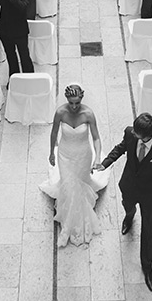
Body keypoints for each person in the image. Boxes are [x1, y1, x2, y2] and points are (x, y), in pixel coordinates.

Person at [94, 112, 152, 292]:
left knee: (148, 228)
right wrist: (105, 163)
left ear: (148, 135)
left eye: (138, 134)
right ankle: (129, 216)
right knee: (127, 206)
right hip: (128, 184)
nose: (134, 135)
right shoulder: (130, 133)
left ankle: (146, 266)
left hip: (149, 194)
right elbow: (120, 148)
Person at [38, 83, 110, 247]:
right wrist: (51, 153)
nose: (74, 106)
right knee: (69, 186)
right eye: (71, 102)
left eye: (77, 102)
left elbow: (96, 138)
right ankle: (69, 218)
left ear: (82, 99)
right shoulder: (60, 113)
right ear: (67, 100)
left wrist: (97, 157)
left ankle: (73, 216)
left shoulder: (88, 114)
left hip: (84, 155)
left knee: (79, 185)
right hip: (65, 155)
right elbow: (54, 133)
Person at [0, 0, 34, 76]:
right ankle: (14, 77)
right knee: (11, 56)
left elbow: (22, 8)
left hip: (19, 30)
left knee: (24, 56)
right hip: (5, 29)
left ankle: (29, 78)